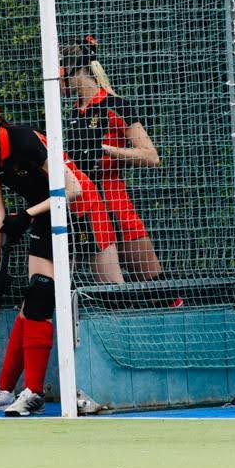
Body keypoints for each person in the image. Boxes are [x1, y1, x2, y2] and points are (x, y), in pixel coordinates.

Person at [0, 98, 90, 416]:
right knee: (31, 305)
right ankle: (6, 389)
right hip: (43, 217)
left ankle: (34, 393)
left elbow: (72, 188)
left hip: (75, 216)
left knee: (40, 298)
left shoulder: (23, 140)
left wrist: (25, 215)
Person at [62, 37, 163, 287]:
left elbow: (151, 156)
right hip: (86, 205)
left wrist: (106, 150)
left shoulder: (115, 105)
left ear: (76, 70)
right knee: (105, 291)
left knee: (155, 287)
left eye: (61, 71)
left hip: (114, 203)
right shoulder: (75, 112)